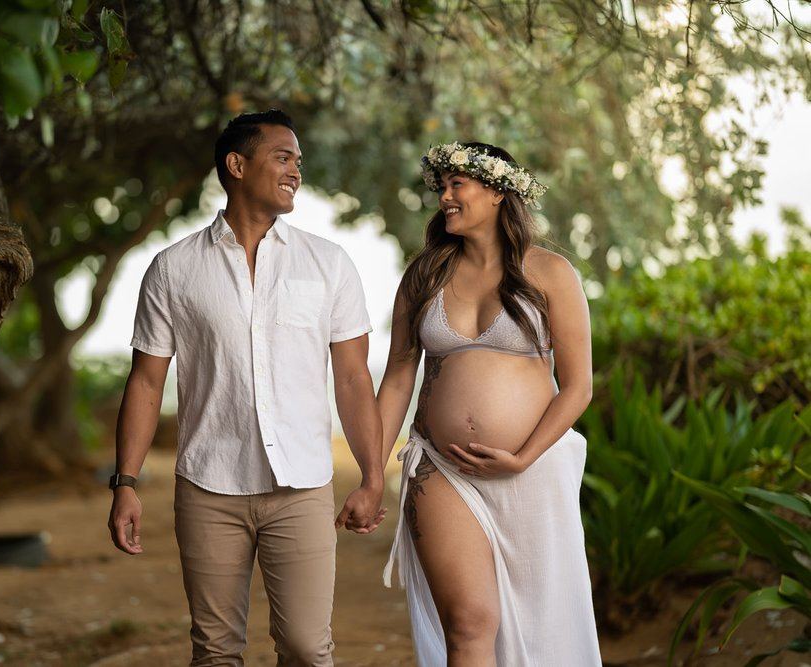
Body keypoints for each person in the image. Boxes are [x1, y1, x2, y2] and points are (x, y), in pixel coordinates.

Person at [107, 109, 386, 667]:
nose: (295, 172)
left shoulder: (328, 264)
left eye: (298, 162)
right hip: (209, 486)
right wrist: (125, 483)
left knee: (308, 648)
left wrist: (374, 476)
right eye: (282, 158)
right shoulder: (173, 268)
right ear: (237, 165)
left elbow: (354, 378)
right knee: (215, 652)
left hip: (301, 487)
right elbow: (146, 379)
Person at [378, 142, 602, 666]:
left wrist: (523, 456)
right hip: (442, 469)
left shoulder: (551, 272)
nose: (445, 199)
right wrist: (371, 475)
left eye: (457, 185)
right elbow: (396, 380)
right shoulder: (424, 276)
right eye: (441, 188)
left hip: (532, 469)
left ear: (499, 191)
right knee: (469, 622)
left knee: (543, 618)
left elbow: (578, 386)